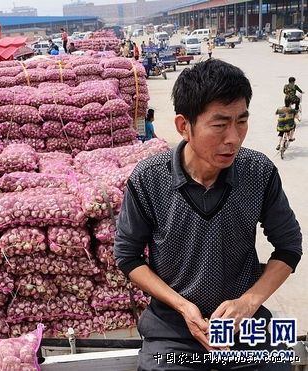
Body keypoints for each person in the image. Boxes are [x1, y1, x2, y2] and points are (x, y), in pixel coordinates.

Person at [114, 59, 302, 370]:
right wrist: (183, 307)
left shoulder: (259, 172)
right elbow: (128, 256)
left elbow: (289, 248)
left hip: (242, 326)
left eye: (241, 121)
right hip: (173, 329)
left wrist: (249, 302)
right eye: (219, 124)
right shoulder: (148, 179)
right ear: (183, 126)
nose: (234, 138)